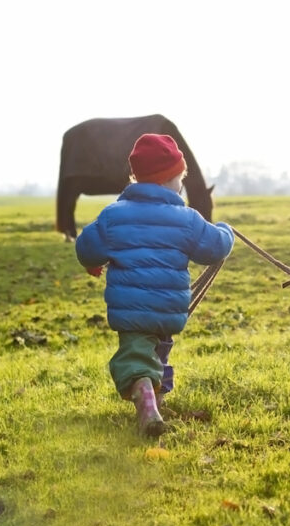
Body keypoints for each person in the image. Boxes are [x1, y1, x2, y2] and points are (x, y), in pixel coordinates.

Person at [76, 133, 234, 437]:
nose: (182, 186)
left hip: (132, 311)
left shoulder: (113, 216)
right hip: (168, 310)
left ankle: (147, 402)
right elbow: (214, 247)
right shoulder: (187, 219)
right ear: (170, 181)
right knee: (159, 354)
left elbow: (86, 248)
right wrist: (227, 231)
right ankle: (153, 405)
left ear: (136, 178)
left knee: (136, 357)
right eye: (180, 179)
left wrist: (94, 261)